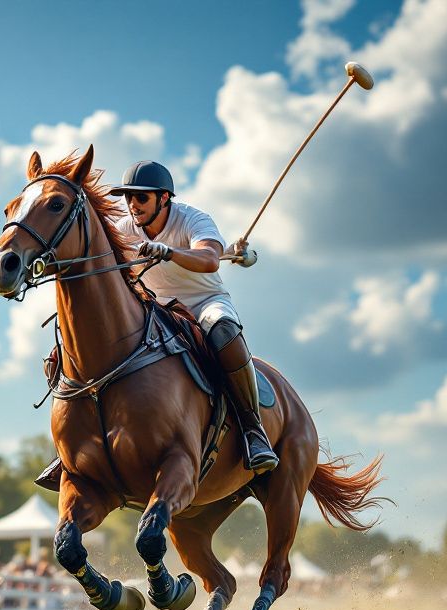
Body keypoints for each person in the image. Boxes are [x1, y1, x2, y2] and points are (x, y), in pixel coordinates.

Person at [38, 160, 277, 486]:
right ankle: (70, 449)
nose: (133, 206)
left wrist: (168, 252)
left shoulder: (193, 219)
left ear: (164, 198)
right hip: (153, 310)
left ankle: (253, 429)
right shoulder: (123, 229)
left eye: (142, 198)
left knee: (225, 333)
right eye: (128, 198)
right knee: (62, 352)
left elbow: (208, 260)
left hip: (202, 305)